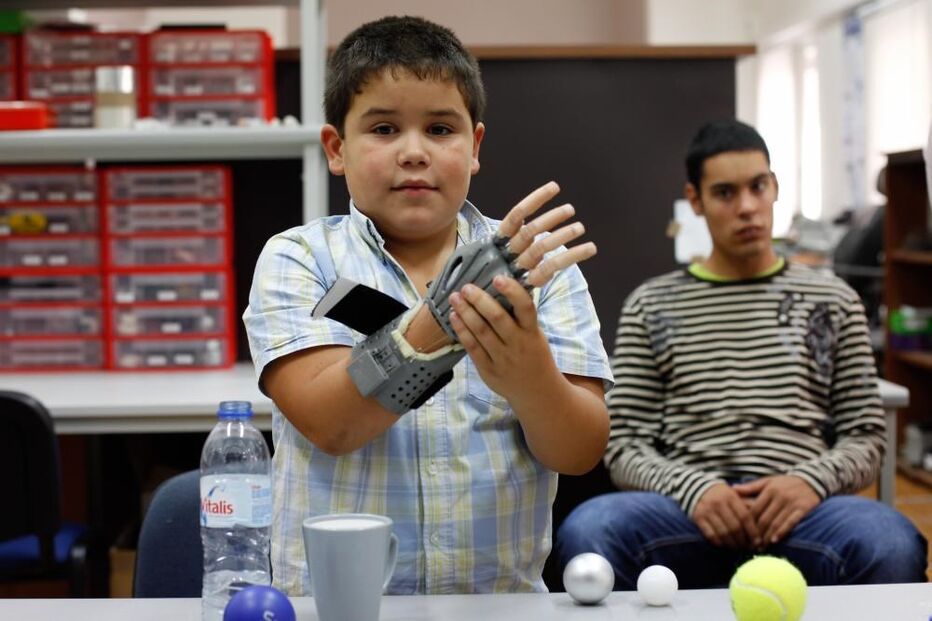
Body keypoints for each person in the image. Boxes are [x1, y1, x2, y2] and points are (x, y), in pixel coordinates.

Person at [243, 15, 612, 595]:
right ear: (337, 149)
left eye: (441, 129)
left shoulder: (533, 270)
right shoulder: (299, 258)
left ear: (475, 147)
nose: (414, 152)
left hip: (497, 606)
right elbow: (329, 424)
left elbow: (580, 450)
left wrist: (530, 374)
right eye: (384, 128)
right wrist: (433, 325)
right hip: (344, 607)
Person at [556, 119, 928, 588]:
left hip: (804, 508)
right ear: (696, 201)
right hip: (685, 509)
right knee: (590, 531)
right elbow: (624, 442)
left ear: (774, 187)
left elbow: (867, 438)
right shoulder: (653, 304)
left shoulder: (832, 301)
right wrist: (696, 490)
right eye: (726, 193)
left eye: (757, 187)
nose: (748, 207)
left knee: (890, 543)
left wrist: (807, 483)